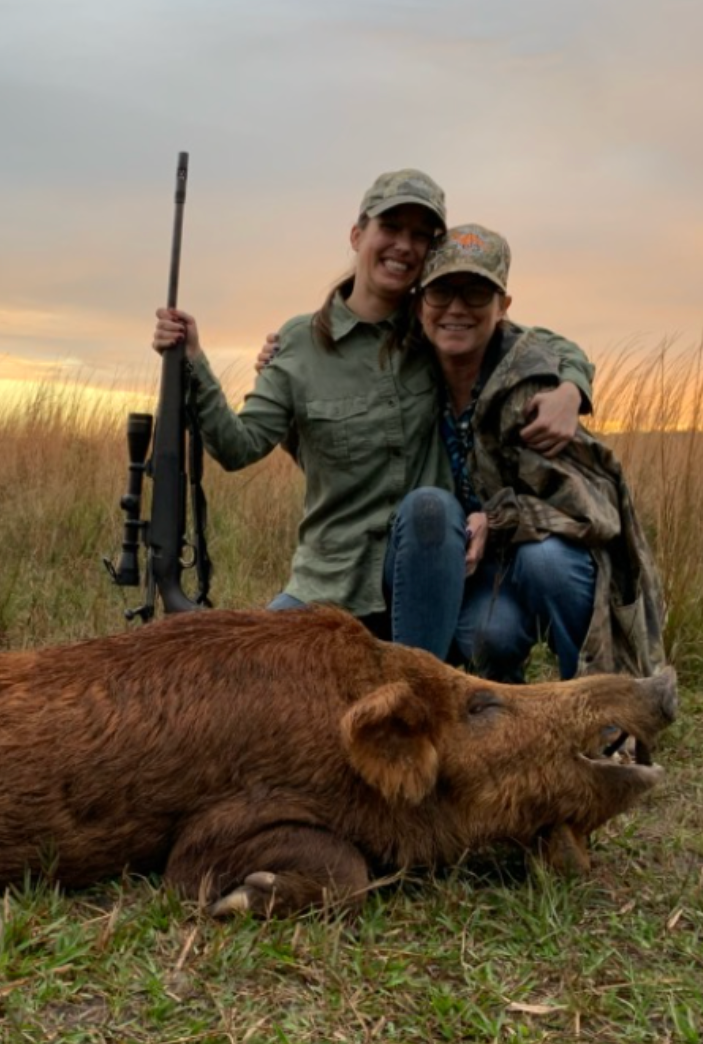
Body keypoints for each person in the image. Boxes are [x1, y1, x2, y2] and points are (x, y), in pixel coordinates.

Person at [152, 168, 592, 638]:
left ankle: (420, 687)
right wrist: (193, 359)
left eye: (422, 236)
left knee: (432, 511)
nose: (405, 245)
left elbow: (543, 344)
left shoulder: (439, 325)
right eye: (391, 228)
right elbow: (238, 448)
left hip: (429, 573)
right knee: (248, 667)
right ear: (358, 234)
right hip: (331, 579)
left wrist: (571, 390)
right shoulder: (300, 343)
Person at [383, 224, 664, 681]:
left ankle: (599, 706)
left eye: (476, 294)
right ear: (420, 305)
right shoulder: (408, 369)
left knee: (547, 563)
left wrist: (495, 521)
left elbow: (589, 511)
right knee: (488, 636)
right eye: (442, 293)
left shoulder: (532, 387)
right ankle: (493, 711)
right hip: (473, 571)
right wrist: (287, 350)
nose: (456, 309)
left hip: (536, 557)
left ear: (503, 308)